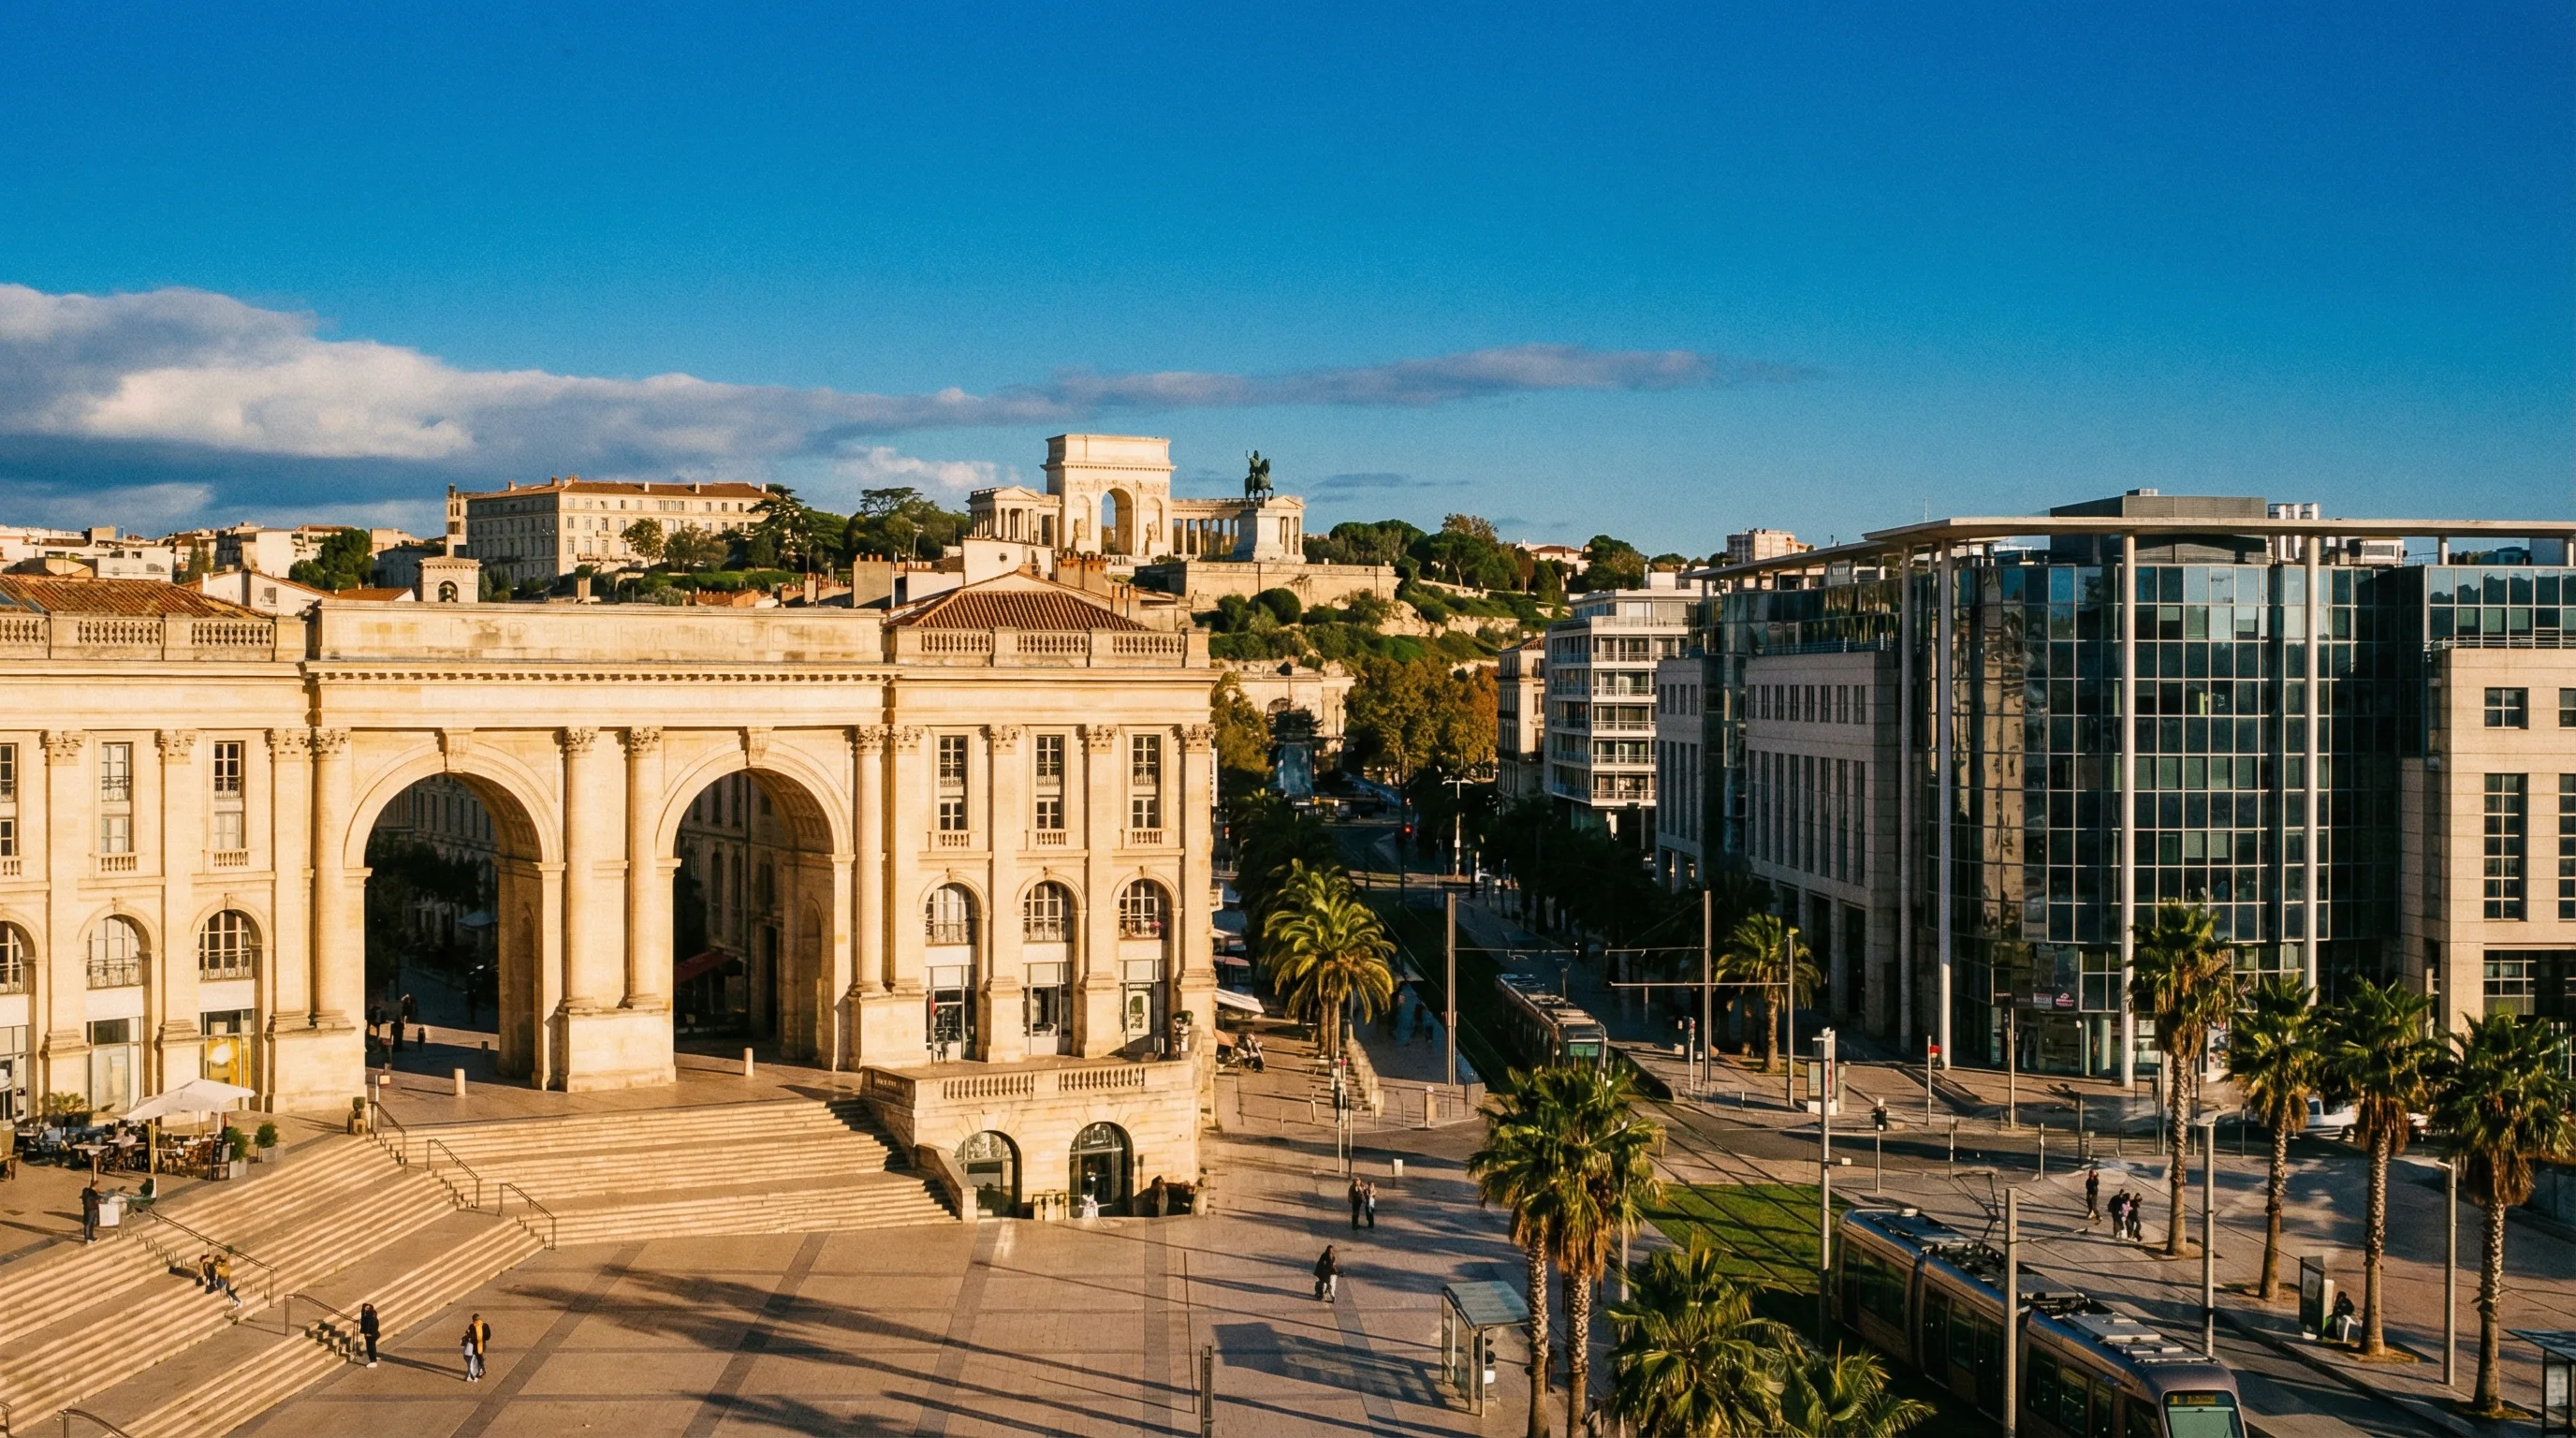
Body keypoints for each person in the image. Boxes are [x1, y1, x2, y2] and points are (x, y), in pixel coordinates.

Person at [462, 1313, 491, 1382]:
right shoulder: (485, 1325)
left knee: (476, 1358)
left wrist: (468, 1333)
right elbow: (488, 1336)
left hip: (475, 1346)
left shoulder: (472, 1326)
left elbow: (471, 1337)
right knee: (479, 1356)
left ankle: (481, 1370)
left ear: (473, 1320)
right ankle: (480, 1370)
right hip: (482, 1345)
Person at [359, 1301, 381, 1367]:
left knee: (370, 1347)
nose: (366, 1309)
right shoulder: (367, 1314)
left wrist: (369, 1333)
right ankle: (374, 1358)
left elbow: (372, 1325)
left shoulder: (371, 1315)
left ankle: (373, 1361)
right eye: (365, 1307)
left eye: (368, 1308)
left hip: (371, 1334)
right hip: (372, 1333)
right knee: (372, 1346)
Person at [80, 1179, 100, 1243]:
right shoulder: (92, 1193)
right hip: (91, 1209)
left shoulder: (85, 1191)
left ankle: (88, 1237)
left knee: (89, 1223)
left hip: (88, 1209)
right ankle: (89, 1237)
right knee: (90, 1223)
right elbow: (97, 1200)